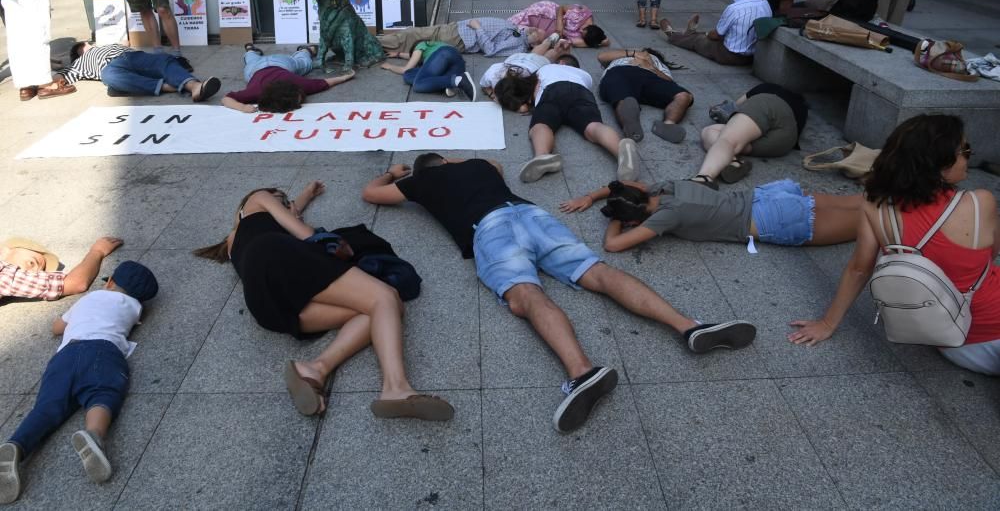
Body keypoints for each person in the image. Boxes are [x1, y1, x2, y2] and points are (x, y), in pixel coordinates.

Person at [362, 156, 757, 432]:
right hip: (533, 214)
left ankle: (582, 372)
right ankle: (690, 326)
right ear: (448, 161)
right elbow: (498, 167)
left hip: (491, 229)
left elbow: (371, 194)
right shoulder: (480, 165)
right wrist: (454, 162)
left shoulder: (419, 182)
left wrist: (394, 173)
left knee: (526, 295)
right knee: (598, 273)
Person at [193, 181, 455, 419]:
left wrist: (306, 194)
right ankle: (396, 387)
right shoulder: (259, 197)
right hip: (277, 255)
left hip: (265, 307)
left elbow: (290, 214)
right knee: (384, 295)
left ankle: (314, 369)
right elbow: (302, 231)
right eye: (282, 200)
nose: (288, 205)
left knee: (378, 310)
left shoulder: (233, 240)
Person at [788, 115, 1000, 376]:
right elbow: (991, 255)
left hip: (949, 340)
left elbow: (858, 269)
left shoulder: (875, 205)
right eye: (964, 151)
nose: (970, 156)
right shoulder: (980, 203)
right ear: (940, 164)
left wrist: (827, 323)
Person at [0, 261, 159, 503]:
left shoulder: (90, 298)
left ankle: (17, 444)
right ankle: (94, 434)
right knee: (103, 393)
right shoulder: (135, 307)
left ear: (110, 282)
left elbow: (57, 327)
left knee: (46, 407)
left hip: (64, 356)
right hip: (104, 351)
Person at [563, 179, 861, 253]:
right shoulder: (663, 189)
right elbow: (628, 184)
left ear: (632, 219)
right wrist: (592, 196)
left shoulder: (665, 217)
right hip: (767, 194)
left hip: (771, 220)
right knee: (862, 203)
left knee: (872, 224)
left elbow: (613, 245)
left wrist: (618, 218)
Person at [493, 61, 642, 184]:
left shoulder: (545, 68)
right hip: (581, 92)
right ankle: (621, 151)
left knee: (541, 125)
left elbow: (535, 88)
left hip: (553, 91)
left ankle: (542, 155)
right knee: (593, 126)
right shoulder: (585, 75)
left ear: (560, 62)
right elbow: (586, 85)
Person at [692, 84, 808, 188]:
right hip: (786, 141)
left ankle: (704, 177)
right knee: (708, 131)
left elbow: (734, 106)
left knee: (727, 140)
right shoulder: (802, 108)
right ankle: (733, 163)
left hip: (769, 105)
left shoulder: (766, 88)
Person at [659, 0, 772, 66]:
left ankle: (673, 35)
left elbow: (716, 35)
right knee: (710, 34)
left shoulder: (735, 8)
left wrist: (708, 34)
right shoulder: (765, 3)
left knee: (699, 39)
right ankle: (690, 33)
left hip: (729, 55)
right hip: (752, 57)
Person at [59, 41, 221, 101]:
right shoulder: (80, 63)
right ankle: (166, 86)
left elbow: (126, 42)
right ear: (82, 52)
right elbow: (61, 76)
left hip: (132, 56)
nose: (90, 44)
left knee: (163, 60)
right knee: (109, 77)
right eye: (86, 45)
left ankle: (194, 87)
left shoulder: (109, 45)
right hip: (113, 68)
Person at [596, 47, 693, 143]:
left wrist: (651, 67)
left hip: (650, 76)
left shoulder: (658, 63)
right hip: (620, 72)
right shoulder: (623, 57)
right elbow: (601, 56)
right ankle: (630, 127)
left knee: (684, 96)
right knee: (624, 99)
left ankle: (668, 124)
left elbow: (669, 82)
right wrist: (634, 53)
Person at [220, 44, 354, 114]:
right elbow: (323, 83)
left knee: (303, 64)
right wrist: (344, 77)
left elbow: (323, 83)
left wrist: (345, 77)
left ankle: (306, 51)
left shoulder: (297, 84)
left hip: (271, 65)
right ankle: (250, 51)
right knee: (303, 64)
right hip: (262, 67)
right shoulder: (256, 92)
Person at [1, 236, 123, 301]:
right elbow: (75, 283)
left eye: (39, 271)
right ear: (4, 252)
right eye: (31, 262)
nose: (32, 273)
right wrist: (97, 251)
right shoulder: (7, 275)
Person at [377, 17, 545, 57]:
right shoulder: (518, 30)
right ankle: (379, 43)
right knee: (413, 34)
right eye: (536, 28)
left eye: (537, 33)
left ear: (535, 43)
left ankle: (373, 42)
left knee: (413, 34)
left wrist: (478, 27)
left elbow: (491, 50)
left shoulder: (519, 43)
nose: (535, 29)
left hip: (460, 38)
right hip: (457, 28)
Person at [379, 41, 476, 99]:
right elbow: (412, 56)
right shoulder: (432, 47)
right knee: (415, 76)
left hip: (444, 55)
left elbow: (406, 68)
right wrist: (398, 54)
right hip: (458, 64)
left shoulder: (420, 45)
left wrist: (390, 67)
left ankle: (458, 81)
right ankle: (451, 82)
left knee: (414, 80)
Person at [508, 1, 609, 48]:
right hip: (548, 12)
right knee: (513, 23)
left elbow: (606, 41)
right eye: (584, 29)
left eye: (583, 34)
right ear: (591, 27)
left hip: (548, 24)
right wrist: (559, 25)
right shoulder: (582, 14)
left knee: (529, 32)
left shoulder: (590, 35)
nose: (581, 31)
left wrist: (593, 44)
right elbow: (560, 8)